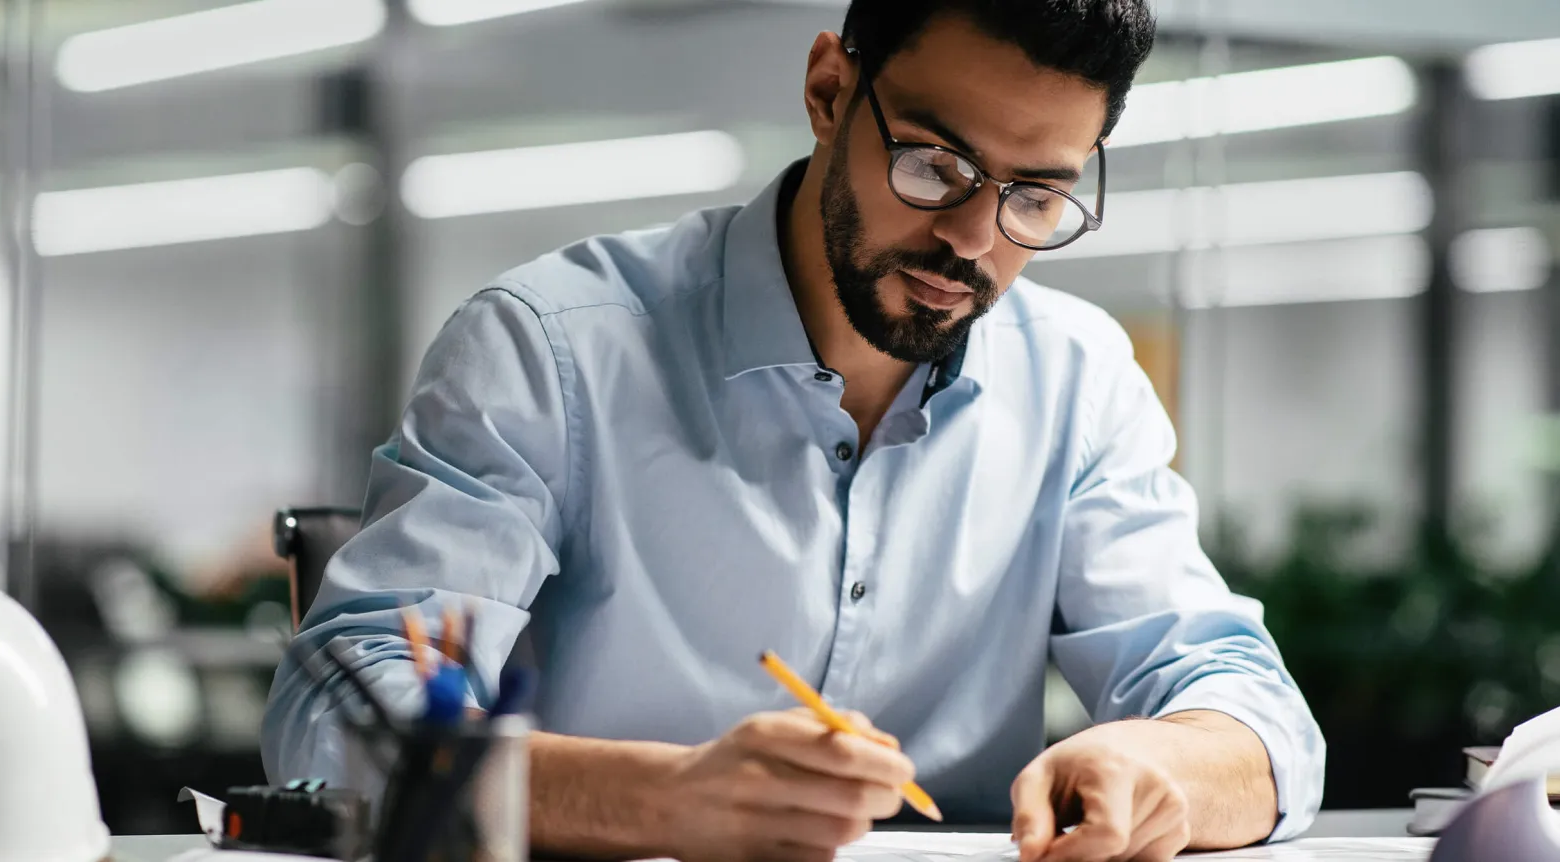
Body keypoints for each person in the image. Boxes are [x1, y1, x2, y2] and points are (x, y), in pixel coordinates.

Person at [264, 1, 1326, 860]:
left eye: (1034, 198)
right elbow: (334, 723)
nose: (968, 237)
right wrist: (664, 800)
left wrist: (1165, 770)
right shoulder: (551, 349)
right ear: (828, 90)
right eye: (933, 166)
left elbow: (1251, 713)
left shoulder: (1079, 378)